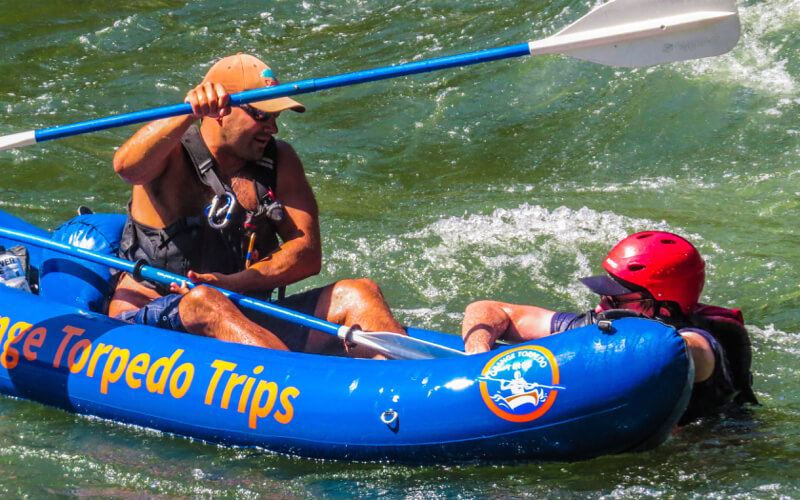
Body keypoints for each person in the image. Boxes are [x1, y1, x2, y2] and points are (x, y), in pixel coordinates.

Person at [108, 53, 405, 357]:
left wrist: (233, 284)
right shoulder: (168, 154)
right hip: (151, 322)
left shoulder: (280, 161)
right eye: (261, 115)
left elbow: (306, 254)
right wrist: (188, 111)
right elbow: (127, 167)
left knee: (360, 293)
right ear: (220, 110)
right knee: (205, 301)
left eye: (276, 117)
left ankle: (403, 386)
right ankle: (298, 392)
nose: (273, 129)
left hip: (245, 315)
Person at [461, 231, 758, 424]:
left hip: (713, 457)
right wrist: (478, 353)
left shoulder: (699, 344)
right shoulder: (607, 320)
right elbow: (488, 309)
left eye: (616, 296)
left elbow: (681, 349)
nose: (603, 302)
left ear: (663, 307)